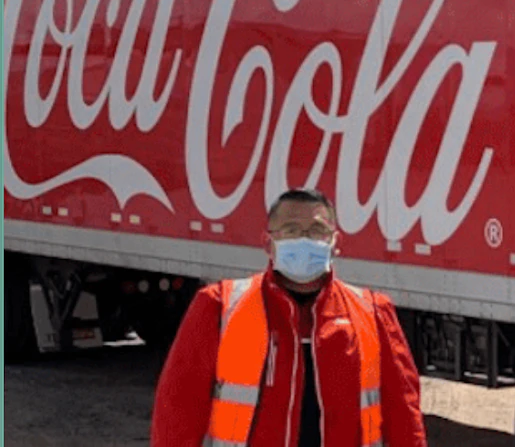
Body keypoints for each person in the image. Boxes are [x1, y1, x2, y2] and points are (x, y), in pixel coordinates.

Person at [151, 188, 428, 447]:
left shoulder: (373, 313)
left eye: (317, 231)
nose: (305, 240)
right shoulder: (219, 307)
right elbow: (178, 410)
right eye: (291, 231)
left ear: (335, 242)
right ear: (268, 243)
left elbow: (404, 415)